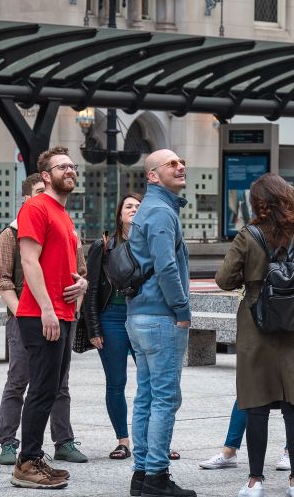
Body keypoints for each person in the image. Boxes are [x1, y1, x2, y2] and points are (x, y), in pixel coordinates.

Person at [200, 187, 294, 475]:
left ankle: (255, 480)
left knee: (255, 404)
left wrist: (251, 280)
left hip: (255, 326)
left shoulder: (248, 236)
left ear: (258, 203)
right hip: (293, 327)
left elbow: (224, 279)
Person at [0, 174, 87, 468]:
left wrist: (76, 302)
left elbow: (80, 273)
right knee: (20, 381)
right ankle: (11, 443)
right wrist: (24, 313)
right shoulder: (10, 234)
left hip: (59, 315)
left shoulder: (65, 225)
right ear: (27, 199)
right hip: (29, 317)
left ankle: (63, 441)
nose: (44, 199)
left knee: (57, 384)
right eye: (37, 193)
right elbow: (3, 280)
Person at [126, 149, 196, 497]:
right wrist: (182, 310)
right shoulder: (160, 212)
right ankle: (156, 476)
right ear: (152, 175)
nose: (180, 165)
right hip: (160, 318)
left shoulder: (150, 210)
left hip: (139, 316)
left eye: (181, 161)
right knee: (165, 399)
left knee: (147, 398)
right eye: (171, 163)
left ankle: (141, 475)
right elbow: (167, 267)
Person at [83, 192, 143, 461]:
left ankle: (157, 442)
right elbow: (92, 290)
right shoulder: (104, 245)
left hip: (143, 317)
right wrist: (94, 329)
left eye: (138, 206)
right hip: (112, 319)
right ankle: (123, 441)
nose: (133, 209)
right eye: (128, 206)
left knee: (152, 383)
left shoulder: (152, 241)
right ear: (119, 214)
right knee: (116, 382)